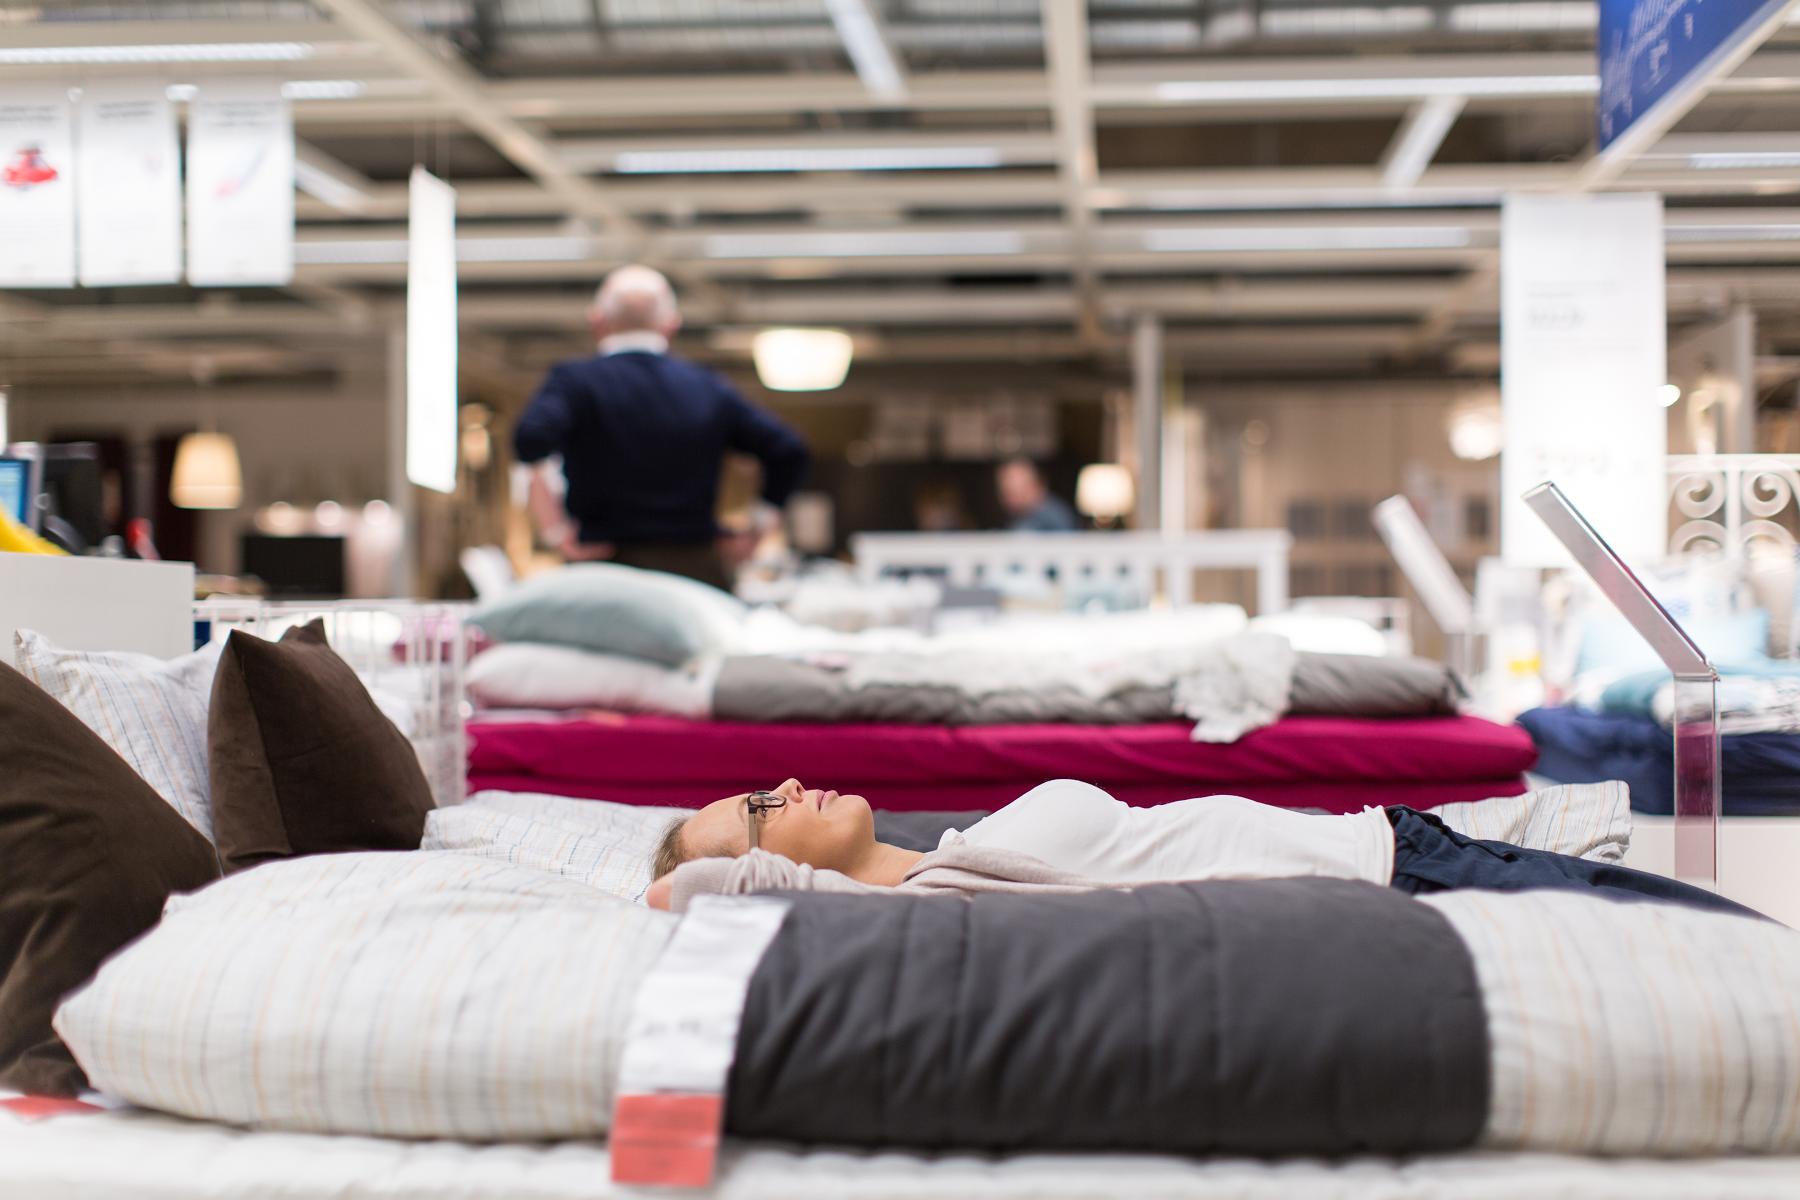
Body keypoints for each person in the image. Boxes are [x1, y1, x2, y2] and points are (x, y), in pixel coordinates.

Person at [646, 776, 1761, 919]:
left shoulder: (951, 852)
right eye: (757, 809)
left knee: (1733, 939)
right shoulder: (936, 899)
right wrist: (706, 865)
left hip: (1397, 844)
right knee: (1738, 947)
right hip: (1407, 883)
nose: (783, 790)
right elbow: (676, 896)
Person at [513, 265, 810, 590]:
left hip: (603, 566)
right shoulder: (707, 386)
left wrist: (556, 529)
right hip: (693, 569)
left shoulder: (574, 382)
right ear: (671, 325)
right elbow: (788, 449)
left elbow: (531, 439)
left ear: (597, 321)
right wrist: (757, 528)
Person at [996, 458, 1079, 532]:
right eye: (1005, 493)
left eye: (1014, 493)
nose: (1008, 500)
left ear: (1037, 486)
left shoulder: (1053, 517)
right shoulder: (1020, 516)